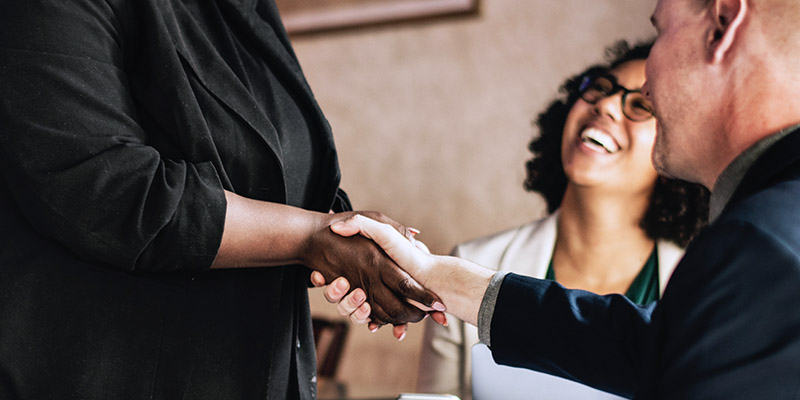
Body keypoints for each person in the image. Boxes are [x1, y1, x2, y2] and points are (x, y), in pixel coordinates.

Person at [324, 0, 800, 397]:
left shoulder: (761, 243)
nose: (642, 86)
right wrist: (432, 275)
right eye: (599, 90)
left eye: (660, 32)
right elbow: (644, 348)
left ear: (722, 25)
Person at [0, 0, 441, 398]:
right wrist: (312, 238)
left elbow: (276, 175)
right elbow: (107, 189)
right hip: (115, 370)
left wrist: (352, 237)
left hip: (263, 370)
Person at [415, 40, 709, 399]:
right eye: (600, 87)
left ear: (676, 147)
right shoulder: (468, 263)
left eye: (641, 105)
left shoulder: (703, 290)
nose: (604, 105)